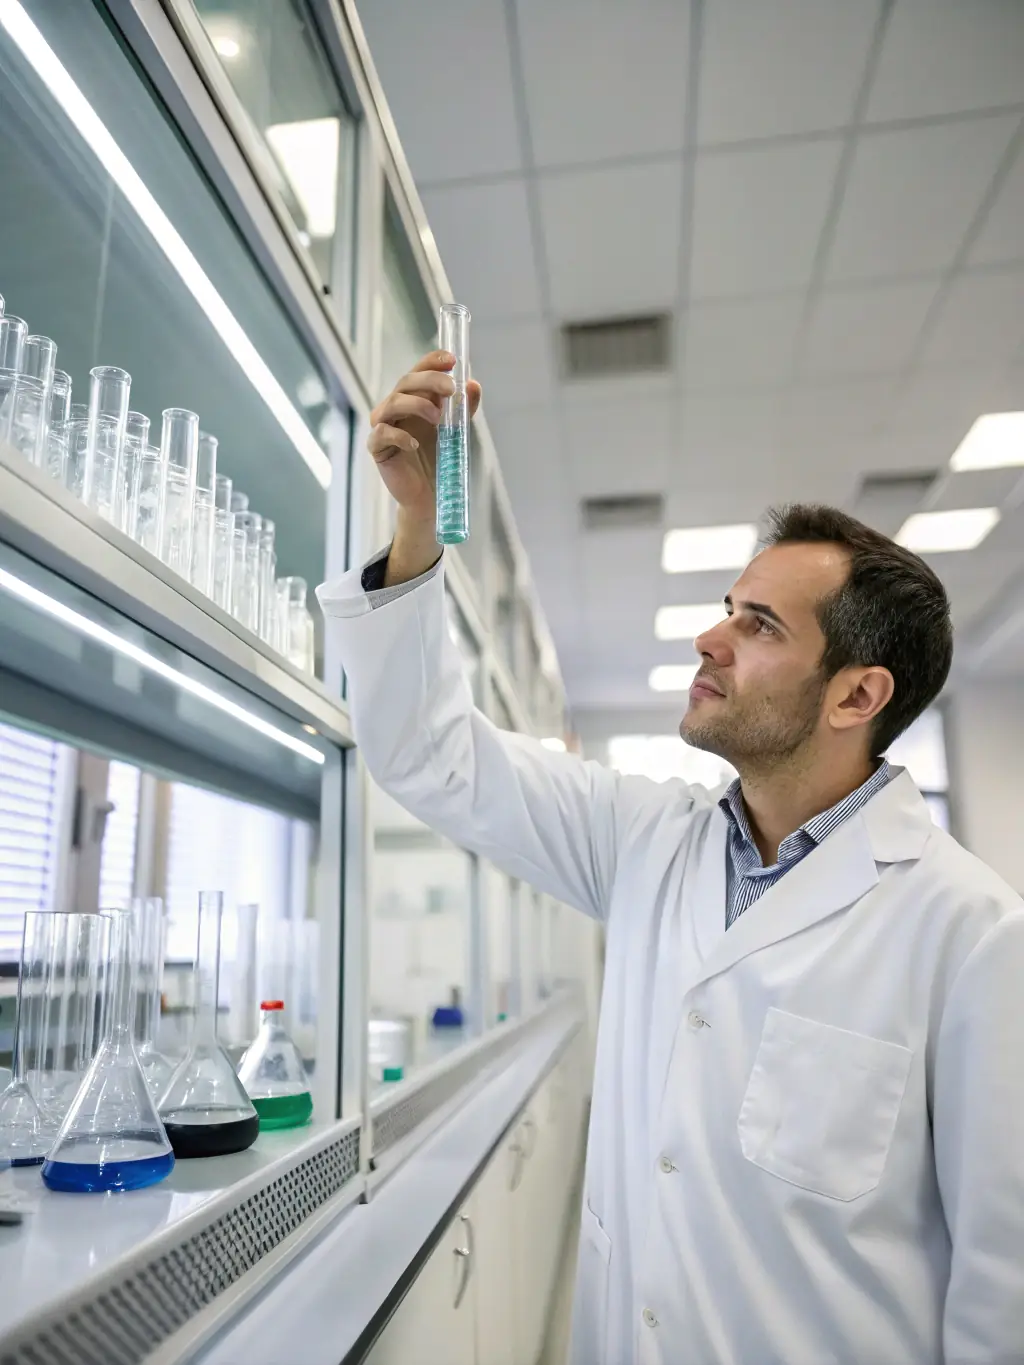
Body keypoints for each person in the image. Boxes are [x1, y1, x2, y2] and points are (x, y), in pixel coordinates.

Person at [318, 352, 1024, 1365]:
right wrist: (416, 524)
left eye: (758, 625)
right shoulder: (647, 841)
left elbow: (1002, 1286)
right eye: (727, 607)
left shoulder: (970, 932)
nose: (709, 637)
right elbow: (430, 757)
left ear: (856, 697)